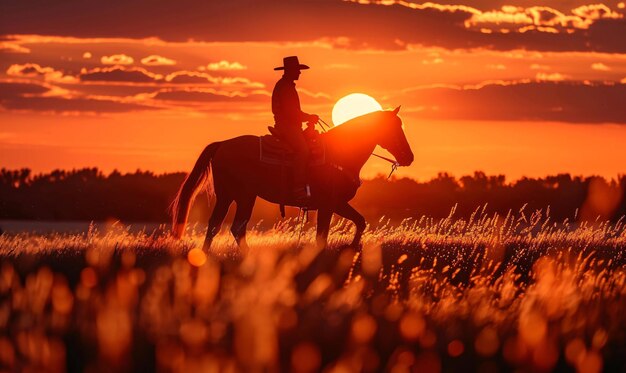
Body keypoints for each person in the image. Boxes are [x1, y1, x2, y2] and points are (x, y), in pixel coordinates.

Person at [271, 56, 319, 202]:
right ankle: (298, 189)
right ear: (290, 70)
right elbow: (291, 112)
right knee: (303, 150)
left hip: (291, 125)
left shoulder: (286, 86)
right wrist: (309, 117)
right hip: (287, 126)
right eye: (297, 70)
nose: (299, 73)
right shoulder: (285, 87)